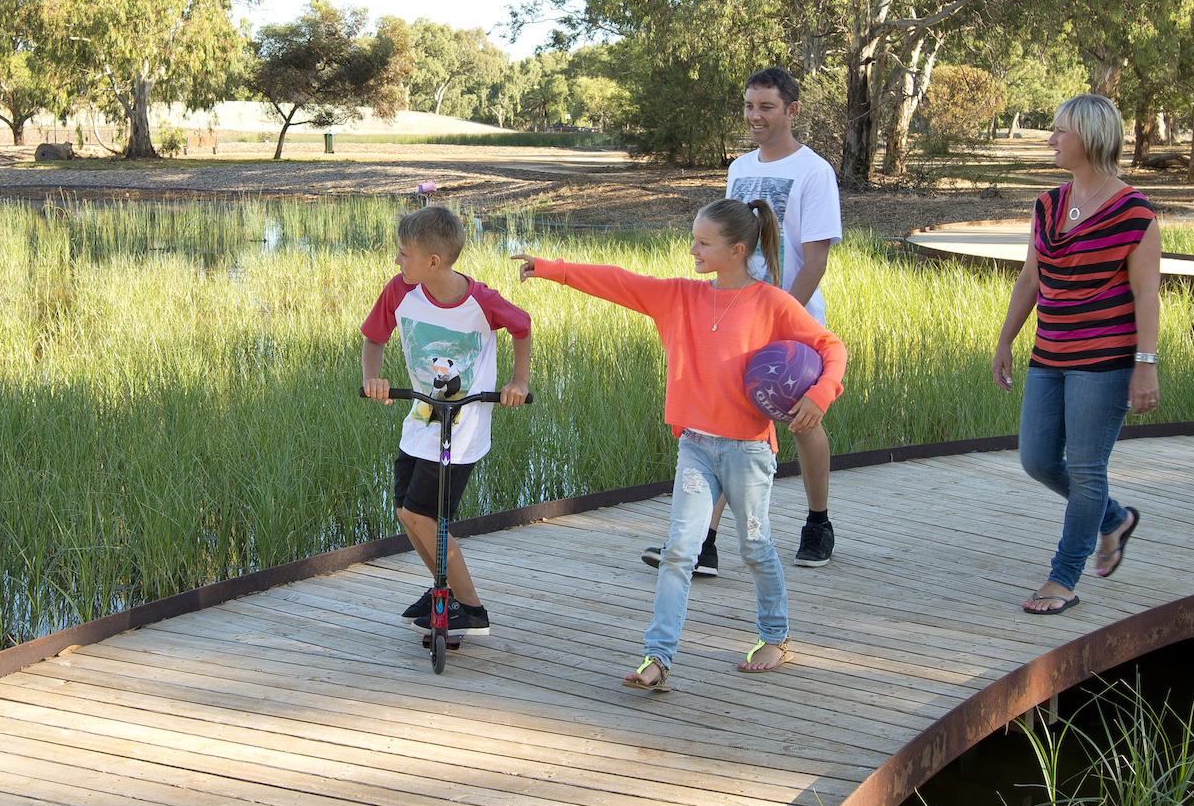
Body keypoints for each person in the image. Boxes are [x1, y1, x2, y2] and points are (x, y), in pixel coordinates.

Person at [526, 199, 845, 694]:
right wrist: (554, 269)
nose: (691, 249)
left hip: (749, 451)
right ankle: (659, 656)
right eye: (693, 238)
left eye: (703, 242)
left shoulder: (772, 304)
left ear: (737, 250)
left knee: (755, 546)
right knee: (680, 552)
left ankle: (775, 637)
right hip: (695, 447)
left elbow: (832, 348)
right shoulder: (680, 297)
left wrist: (819, 395)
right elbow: (621, 281)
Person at [643, 65, 845, 578]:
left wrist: (780, 316)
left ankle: (818, 522)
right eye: (750, 106)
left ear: (792, 111)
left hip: (788, 321)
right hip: (736, 318)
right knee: (725, 424)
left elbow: (815, 258)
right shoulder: (738, 168)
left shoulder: (814, 171)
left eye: (767, 107)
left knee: (802, 422)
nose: (755, 116)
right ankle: (704, 542)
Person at [991, 92, 1160, 615]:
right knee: (1038, 458)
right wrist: (1005, 338)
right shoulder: (1047, 204)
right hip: (1050, 352)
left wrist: (1145, 367)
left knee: (1087, 468)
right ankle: (1113, 519)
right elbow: (1030, 278)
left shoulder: (1135, 214)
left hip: (1104, 361)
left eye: (1060, 131)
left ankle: (1064, 577)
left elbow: (1146, 295)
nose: (1051, 139)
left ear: (1088, 137)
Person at [360, 204, 533, 638]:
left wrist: (518, 381)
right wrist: (372, 378)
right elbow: (374, 338)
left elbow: (522, 327)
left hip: (464, 427)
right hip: (420, 420)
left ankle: (471, 609)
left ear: (432, 262)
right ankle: (445, 588)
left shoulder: (481, 300)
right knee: (406, 513)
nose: (397, 261)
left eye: (404, 253)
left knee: (425, 517)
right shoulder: (398, 293)